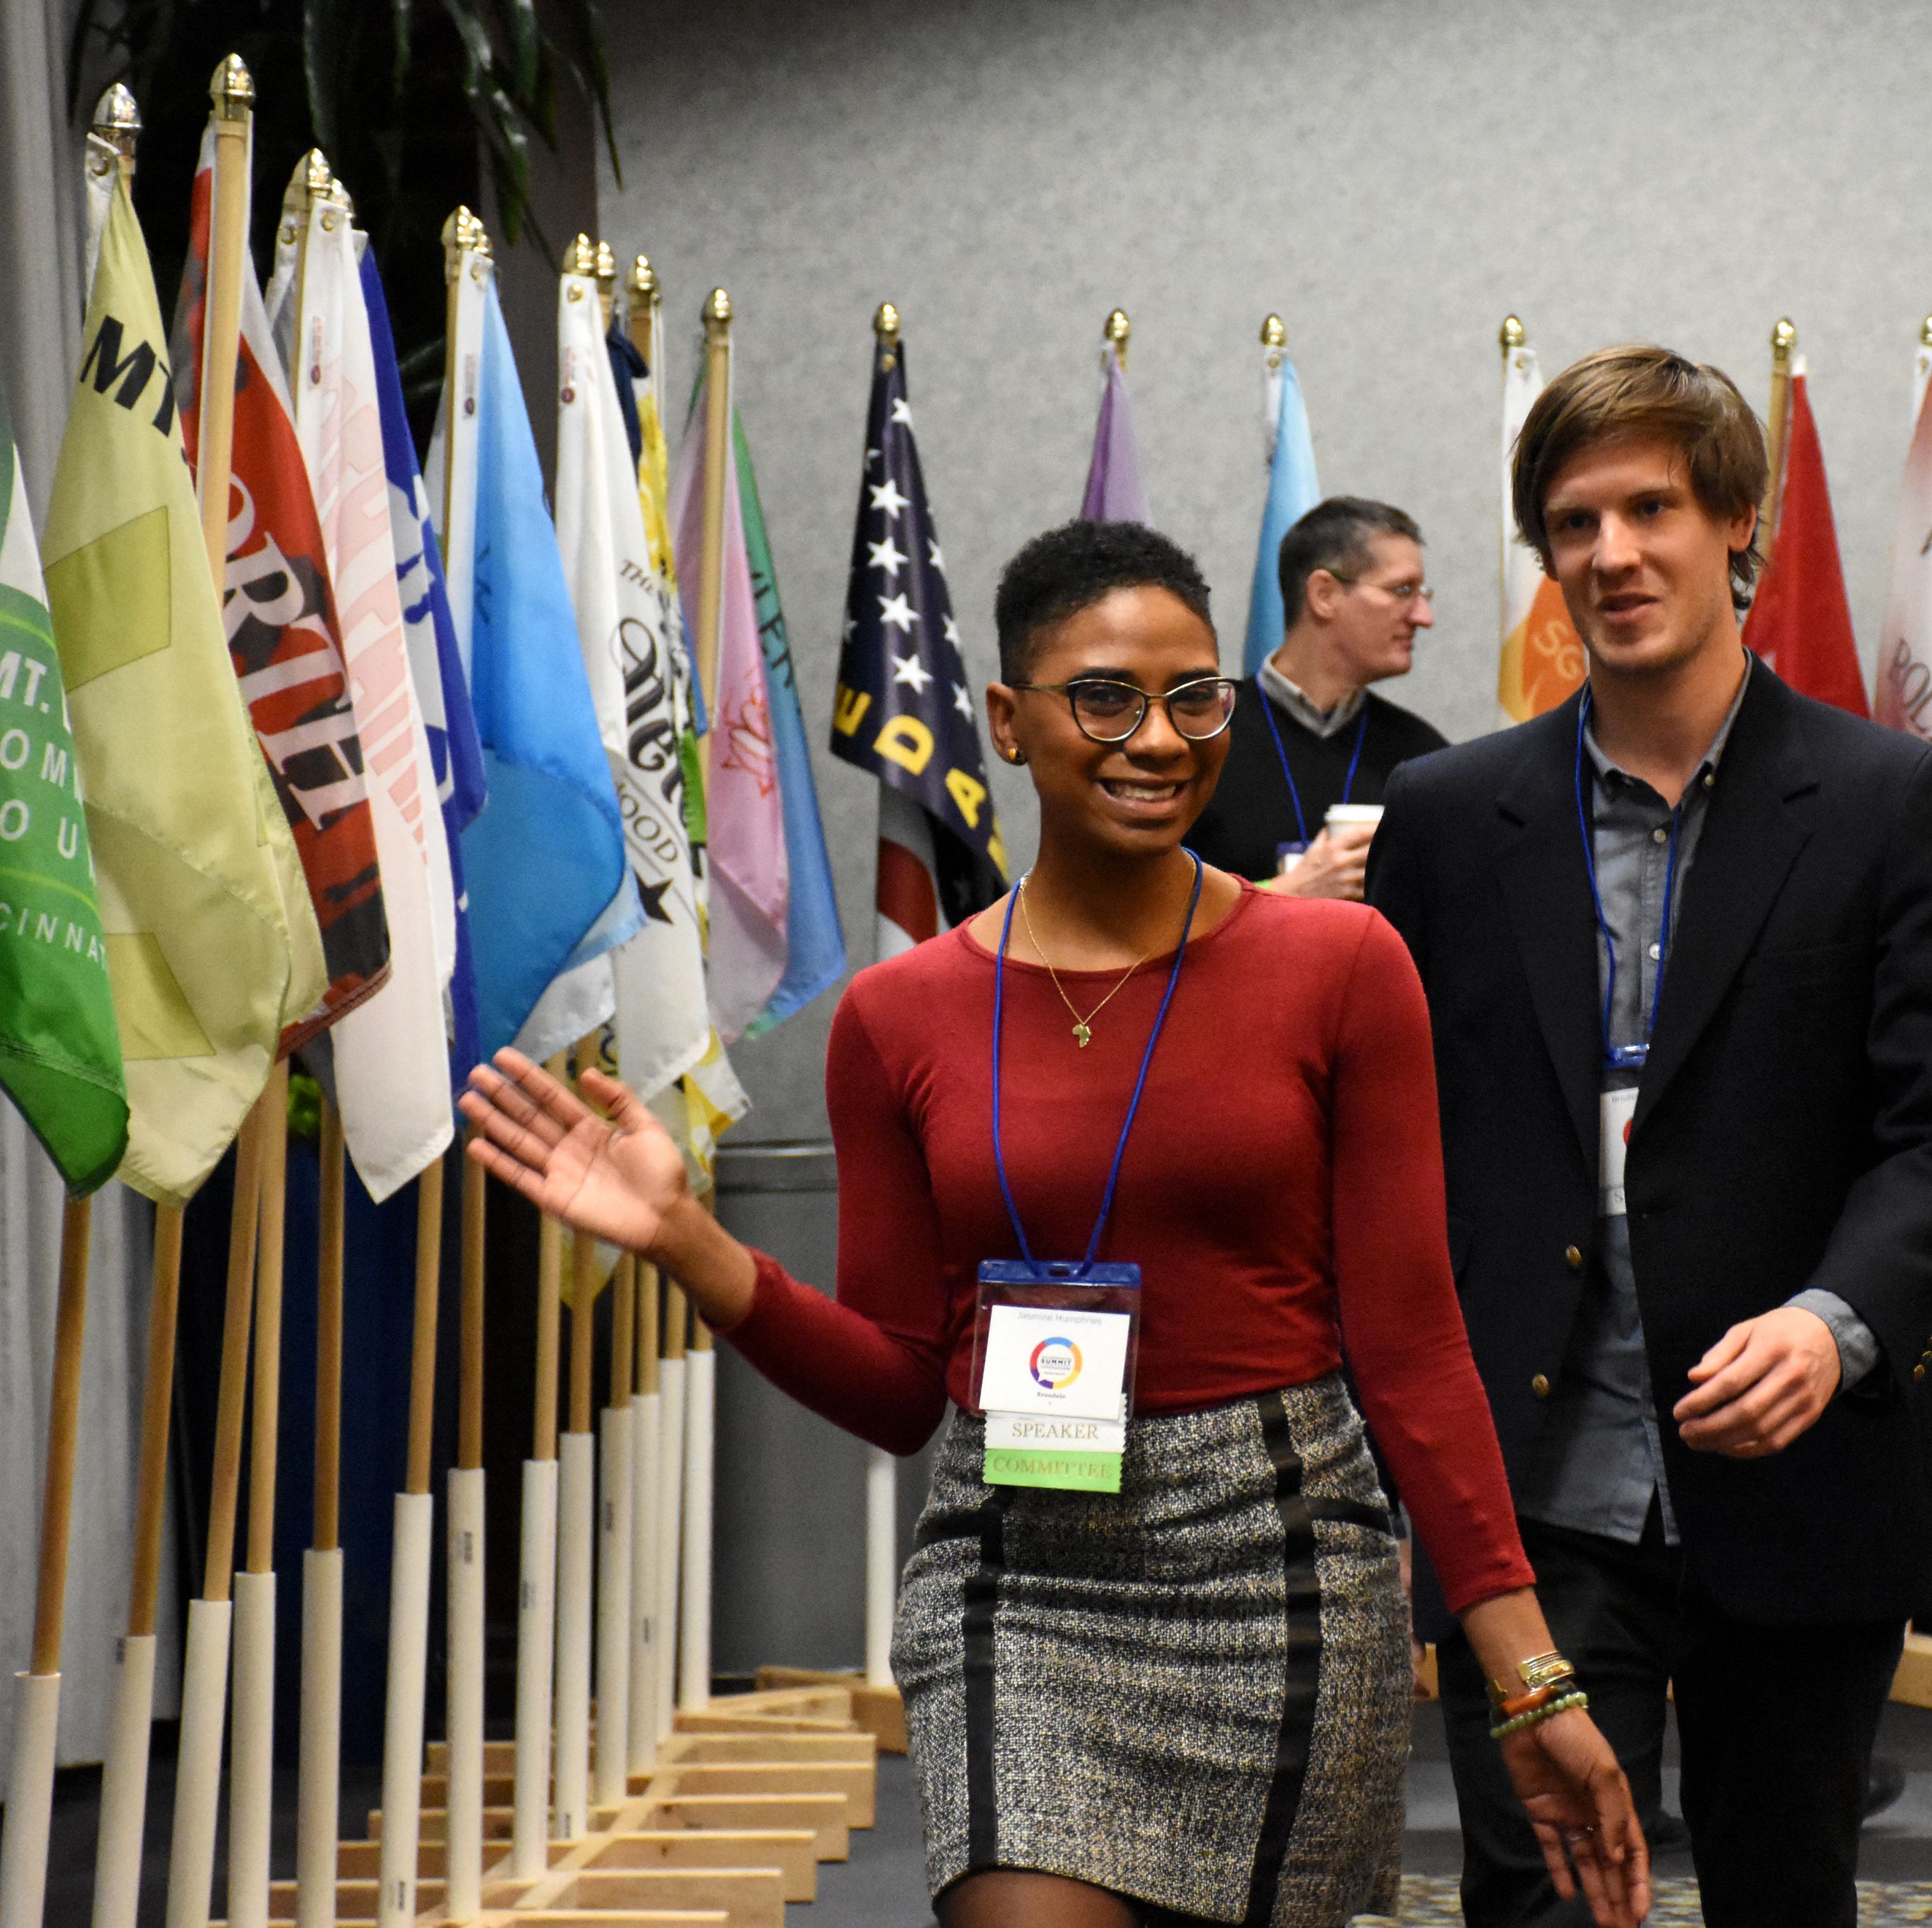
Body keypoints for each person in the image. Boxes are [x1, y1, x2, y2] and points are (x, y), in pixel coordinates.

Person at [463, 519, 1649, 1928]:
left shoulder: (1341, 964)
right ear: (1010, 723)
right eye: (1104, 697)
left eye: (1192, 696)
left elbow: (1410, 1344)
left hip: (1279, 1564)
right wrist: (690, 1244)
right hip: (1018, 1574)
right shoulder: (901, 1019)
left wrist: (1530, 1674)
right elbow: (905, 1389)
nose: (1156, 738)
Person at [1367, 346, 1932, 1927]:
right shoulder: (1454, 819)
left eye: (1651, 506)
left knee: (1784, 1891)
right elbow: (1390, 1138)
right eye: (1574, 522)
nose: (1612, 555)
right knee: (1535, 1897)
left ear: (1739, 521)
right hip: (1534, 1484)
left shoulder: (1882, 800)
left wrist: (1840, 1320)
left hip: (1800, 1470)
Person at [1185, 497, 1445, 899]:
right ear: (1324, 594)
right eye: (1403, 590)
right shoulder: (1200, 731)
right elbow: (1145, 909)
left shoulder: (1424, 757)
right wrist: (1284, 895)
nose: (1423, 617)